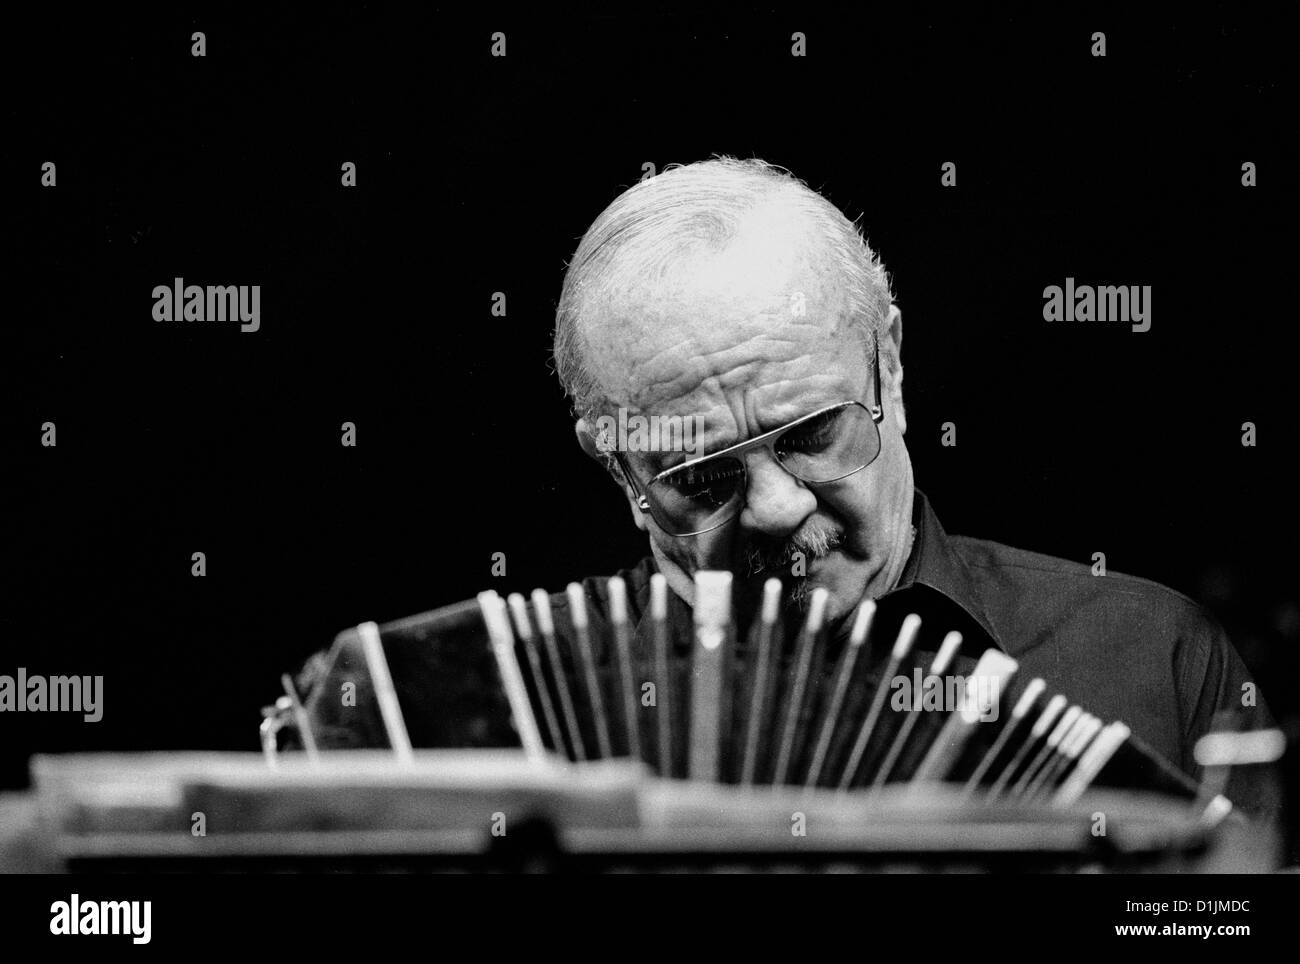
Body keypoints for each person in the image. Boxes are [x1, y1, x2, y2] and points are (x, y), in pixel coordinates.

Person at [548, 156, 1275, 811]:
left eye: (810, 434)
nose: (777, 509)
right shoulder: (532, 714)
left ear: (888, 367)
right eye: (704, 476)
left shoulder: (1151, 657)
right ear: (617, 467)